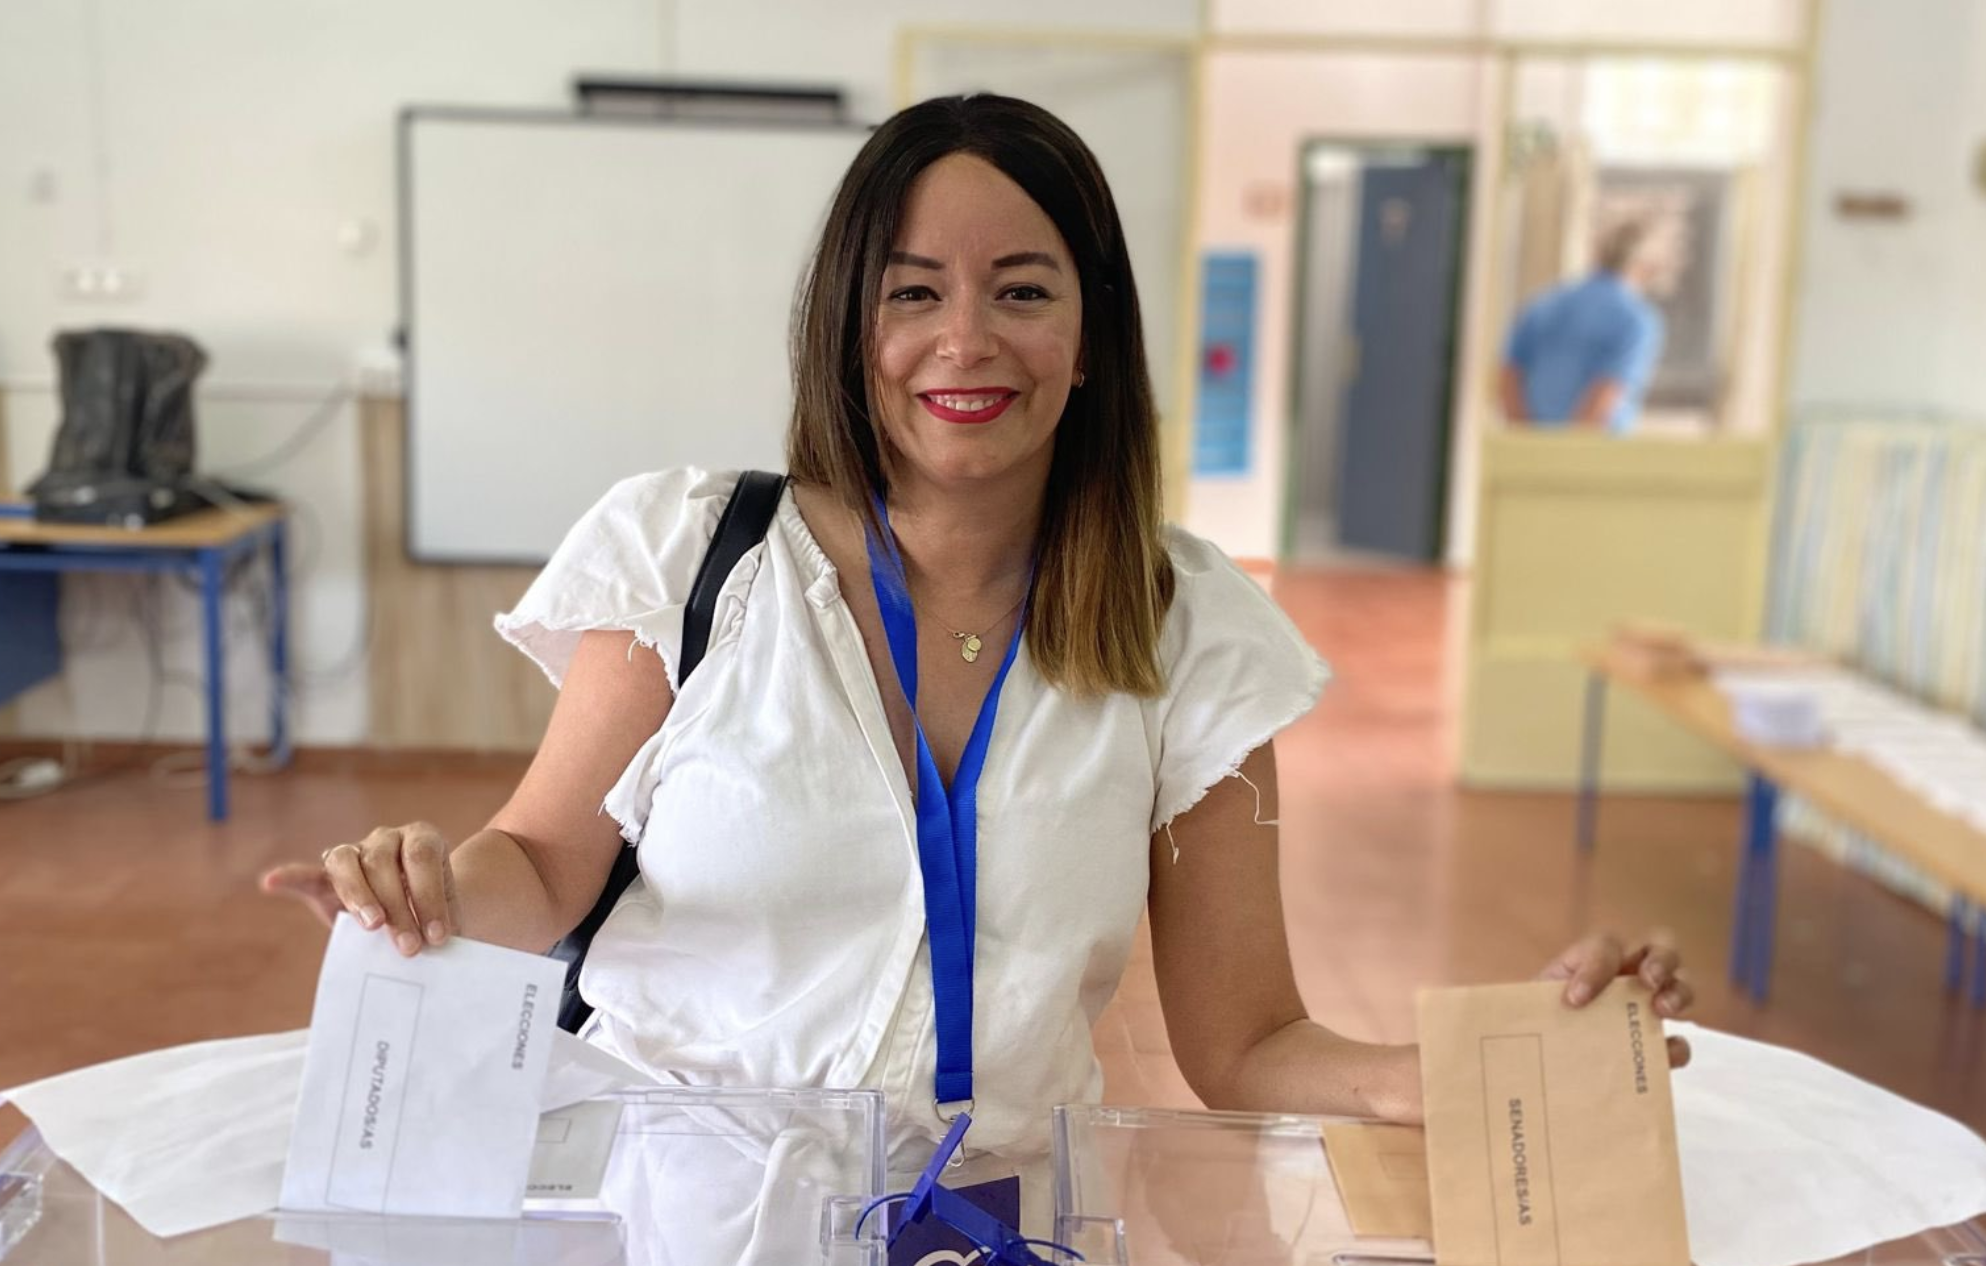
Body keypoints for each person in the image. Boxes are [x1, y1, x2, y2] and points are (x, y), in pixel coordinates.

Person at [264, 95, 1693, 1219]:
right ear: (847, 325)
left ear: (1089, 341)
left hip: (990, 1225)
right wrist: (434, 887)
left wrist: (1468, 1068)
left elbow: (1245, 1041)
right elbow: (542, 859)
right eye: (909, 294)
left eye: (1021, 290)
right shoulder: (692, 557)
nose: (964, 339)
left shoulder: (1186, 627)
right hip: (678, 1213)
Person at [1500, 218, 1668, 434]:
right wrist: (1569, 453)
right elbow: (1605, 397)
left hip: (1531, 449)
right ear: (1649, 267)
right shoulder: (1636, 320)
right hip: (1592, 455)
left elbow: (1509, 377)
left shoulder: (1544, 303)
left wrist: (1529, 444)